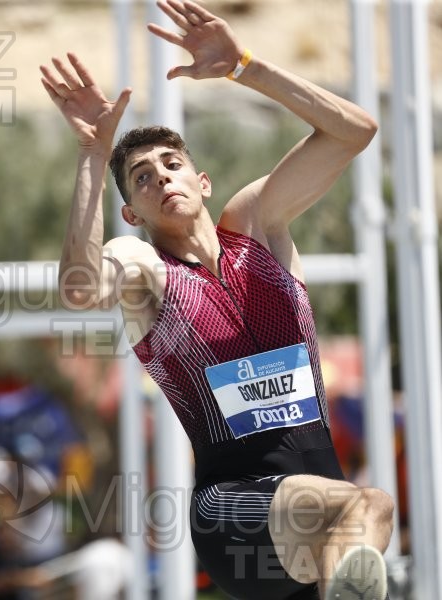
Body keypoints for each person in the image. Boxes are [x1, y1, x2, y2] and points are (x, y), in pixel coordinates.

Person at [39, 1, 394, 599]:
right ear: (132, 212)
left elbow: (353, 132)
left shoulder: (258, 226)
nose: (161, 179)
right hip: (233, 512)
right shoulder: (144, 267)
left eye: (172, 166)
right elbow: (80, 288)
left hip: (321, 521)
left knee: (364, 517)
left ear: (202, 183)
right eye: (144, 179)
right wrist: (93, 157)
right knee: (371, 503)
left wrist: (246, 66)